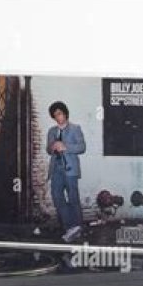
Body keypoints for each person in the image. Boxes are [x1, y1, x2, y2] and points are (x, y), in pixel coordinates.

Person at [46, 101, 86, 242]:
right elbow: (48, 149)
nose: (58, 117)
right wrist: (52, 147)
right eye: (55, 115)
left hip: (70, 169)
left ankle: (77, 227)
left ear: (65, 114)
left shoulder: (75, 128)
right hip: (56, 169)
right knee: (56, 196)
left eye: (60, 114)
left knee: (73, 198)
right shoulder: (52, 131)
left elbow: (82, 147)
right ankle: (70, 227)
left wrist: (65, 146)